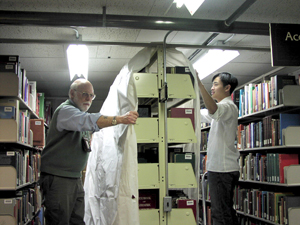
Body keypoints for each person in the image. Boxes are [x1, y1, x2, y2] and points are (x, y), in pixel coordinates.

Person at [39, 78, 139, 225]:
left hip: (73, 178)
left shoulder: (76, 113)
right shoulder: (66, 111)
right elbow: (88, 121)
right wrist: (120, 119)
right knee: (59, 220)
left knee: (77, 220)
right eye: (85, 94)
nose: (89, 99)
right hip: (59, 178)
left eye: (92, 96)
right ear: (72, 94)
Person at [197, 72, 240, 225]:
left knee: (220, 215)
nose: (212, 88)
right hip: (221, 170)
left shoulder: (228, 107)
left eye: (216, 84)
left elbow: (214, 110)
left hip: (222, 170)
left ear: (227, 88)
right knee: (225, 211)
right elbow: (203, 114)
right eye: (211, 84)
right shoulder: (222, 109)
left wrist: (200, 85)